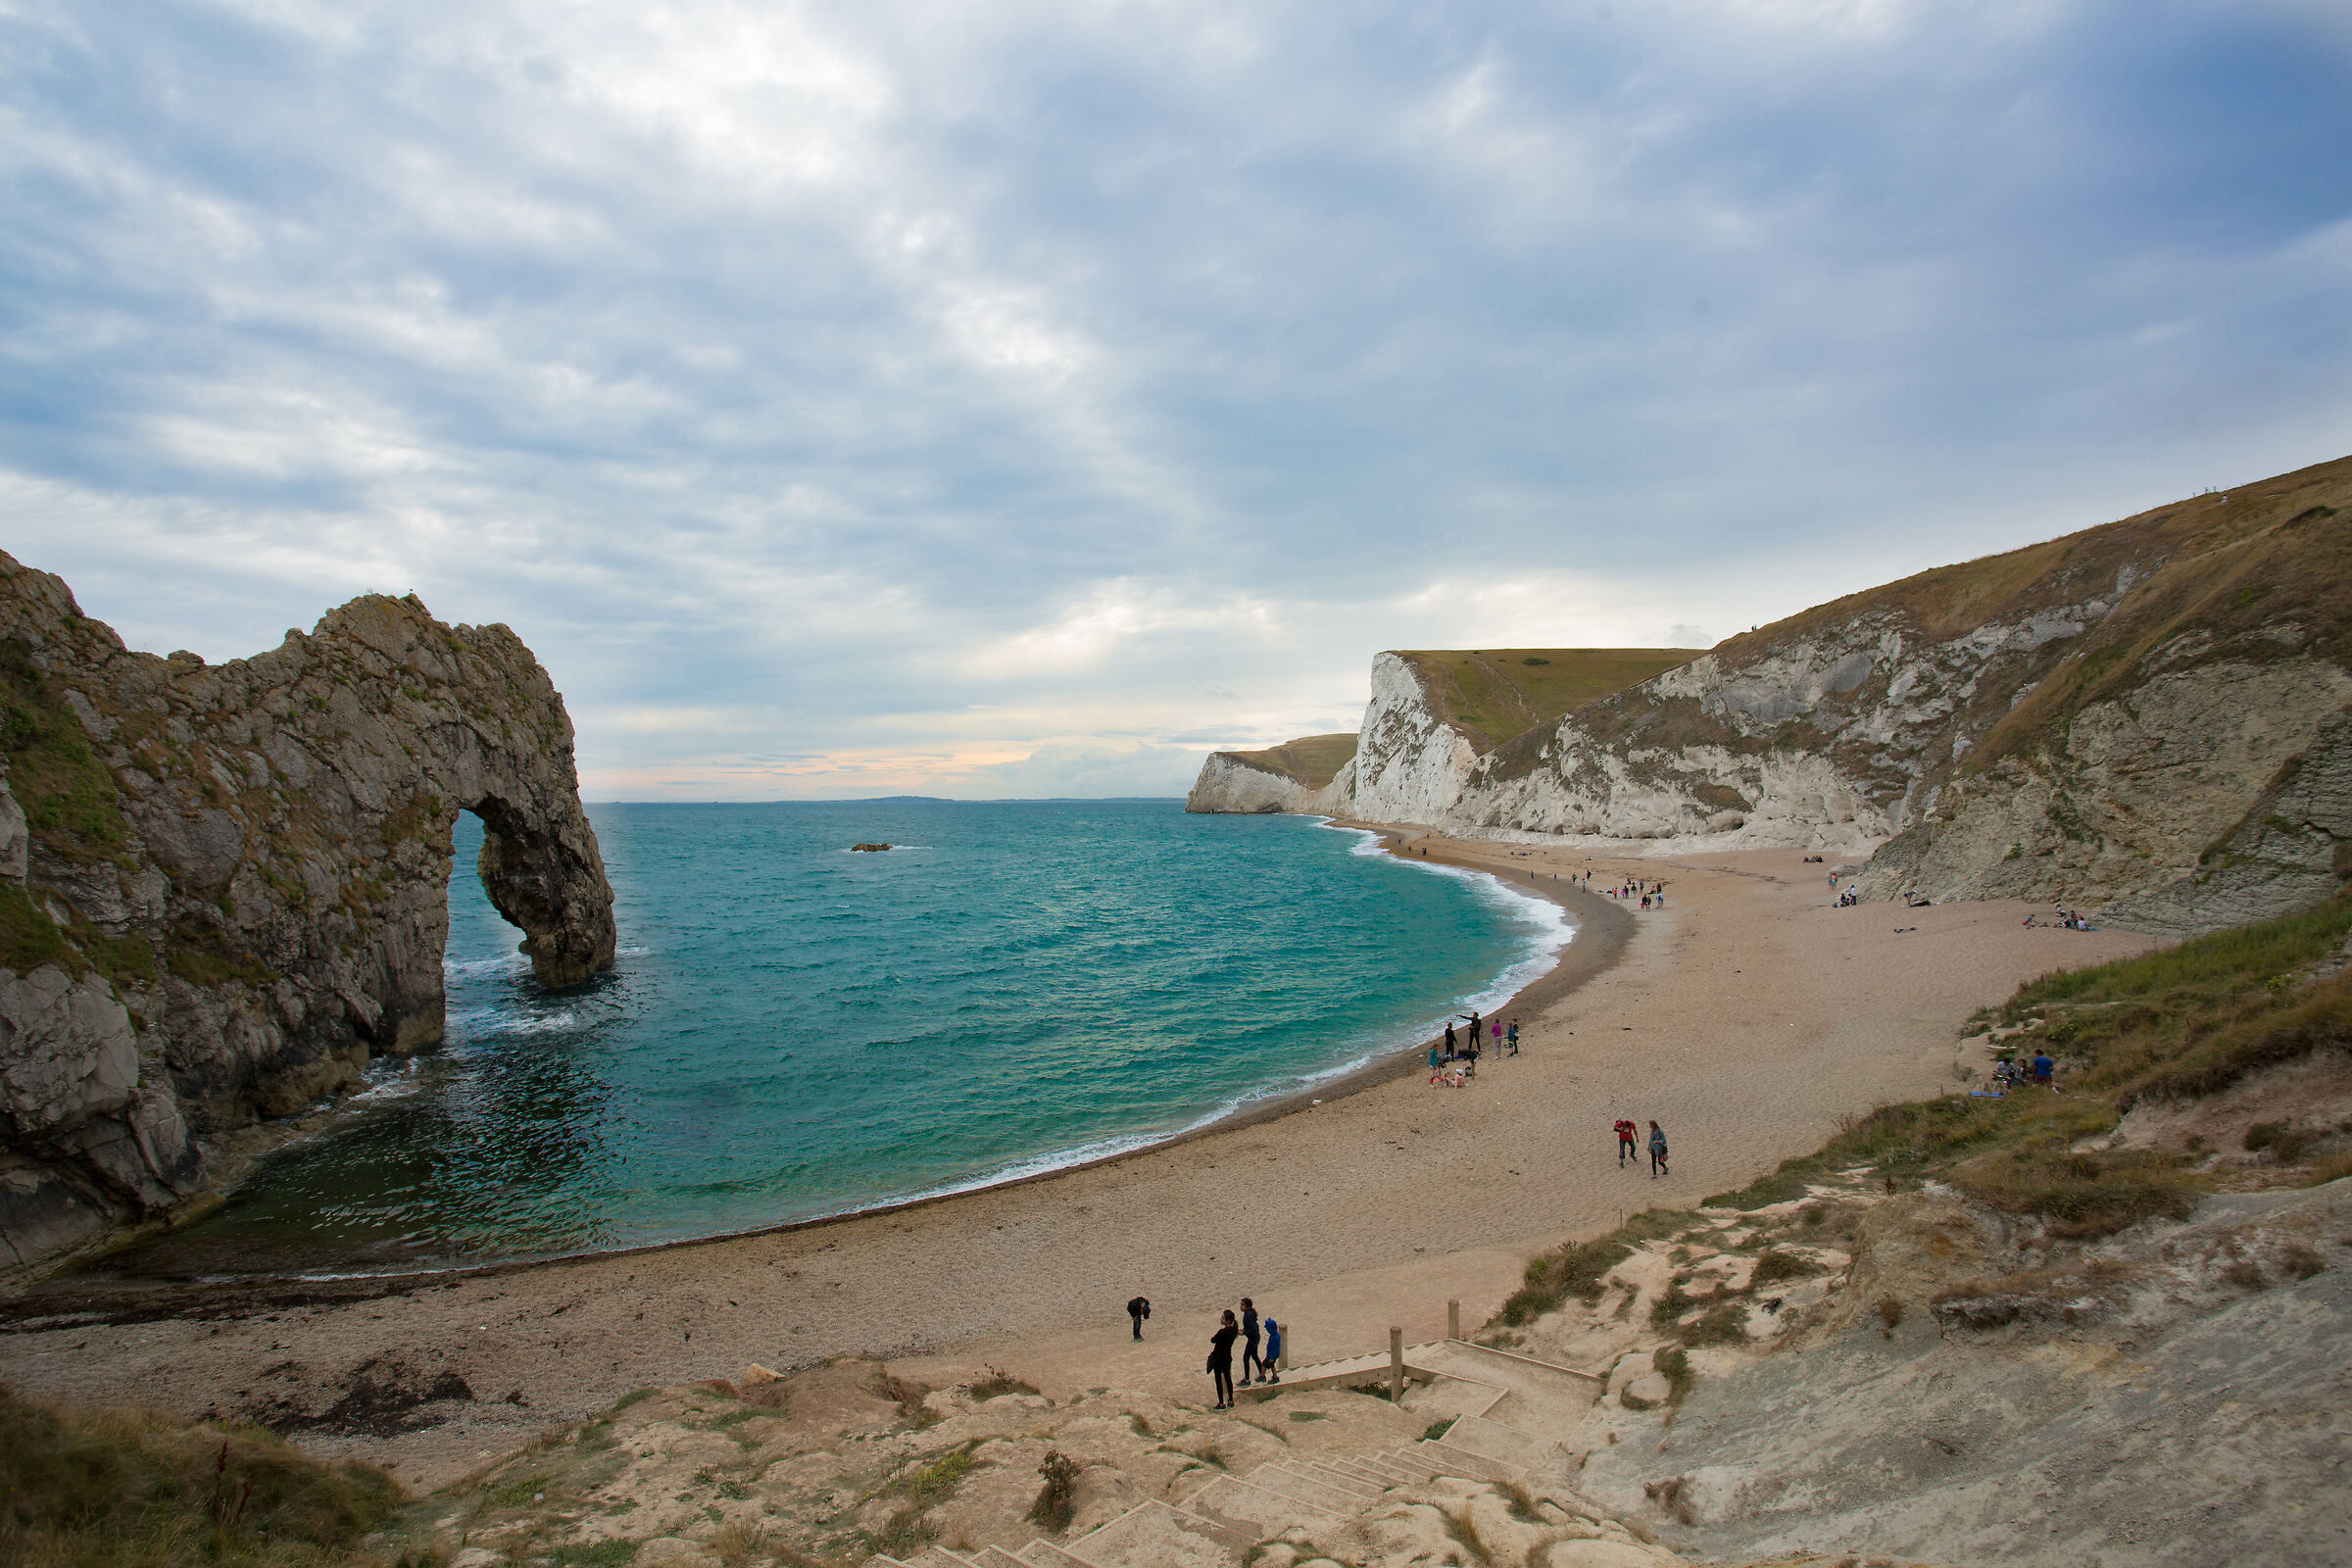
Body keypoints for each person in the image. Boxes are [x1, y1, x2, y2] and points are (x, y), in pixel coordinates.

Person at [1207, 1310, 1239, 1408]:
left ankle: (1221, 1403)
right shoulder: (1233, 1331)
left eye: (1223, 1318)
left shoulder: (1222, 1332)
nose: (1221, 1319)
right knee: (1228, 1379)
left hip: (1218, 1359)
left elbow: (1213, 1340)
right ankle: (1230, 1400)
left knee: (1218, 1381)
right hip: (1227, 1357)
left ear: (1228, 1321)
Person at [1241, 1298, 1262, 1385]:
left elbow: (1253, 1329)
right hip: (1255, 1338)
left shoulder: (1248, 1315)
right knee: (1254, 1356)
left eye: (1243, 1305)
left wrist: (1244, 1332)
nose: (1241, 1307)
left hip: (1253, 1339)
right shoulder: (1249, 1314)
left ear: (1248, 1307)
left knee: (1246, 1358)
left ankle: (1247, 1380)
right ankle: (1262, 1374)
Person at [1259, 1316, 1283, 1383]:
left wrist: (1272, 1357)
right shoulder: (1276, 1335)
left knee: (1264, 1364)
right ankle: (1275, 1376)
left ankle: (1262, 1376)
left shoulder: (1273, 1338)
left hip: (1271, 1355)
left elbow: (1274, 1348)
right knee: (1272, 1365)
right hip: (1273, 1355)